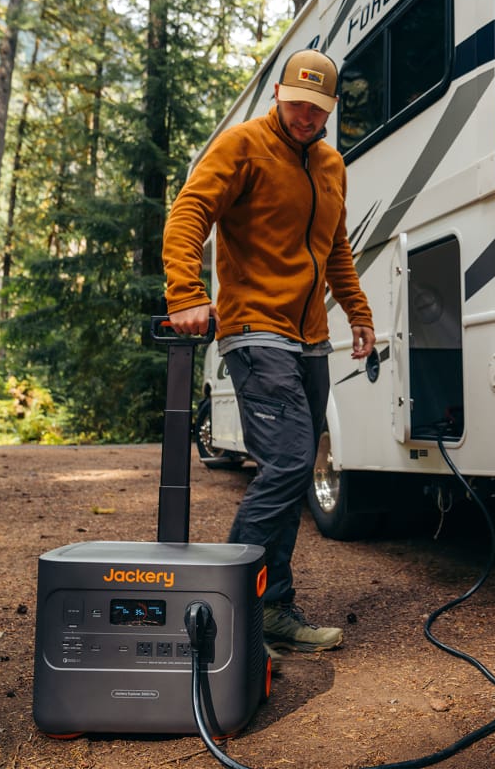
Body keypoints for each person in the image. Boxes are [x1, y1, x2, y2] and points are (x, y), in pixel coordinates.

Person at [162, 48, 376, 656]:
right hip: (255, 327)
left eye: (319, 109)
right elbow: (189, 213)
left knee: (293, 470)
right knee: (284, 464)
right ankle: (234, 616)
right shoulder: (242, 146)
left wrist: (357, 315)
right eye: (298, 104)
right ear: (278, 94)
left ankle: (272, 607)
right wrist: (186, 292)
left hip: (310, 338)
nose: (307, 117)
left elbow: (335, 251)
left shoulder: (332, 164)